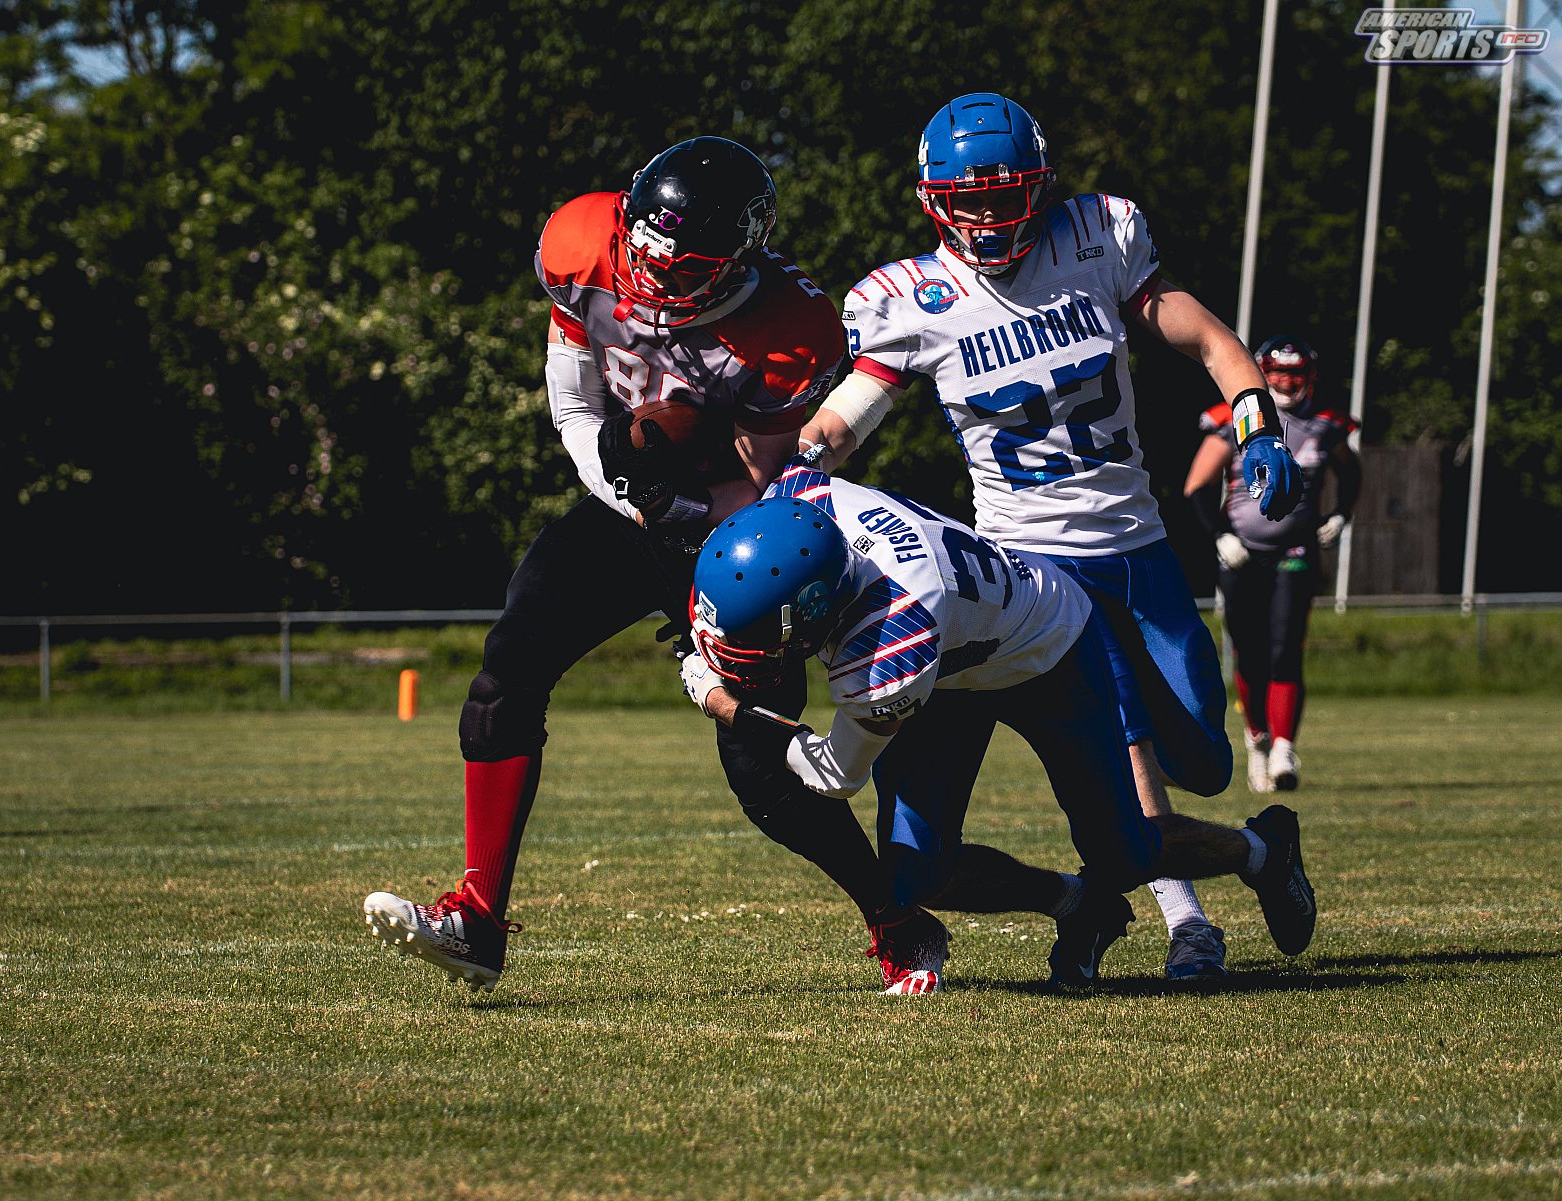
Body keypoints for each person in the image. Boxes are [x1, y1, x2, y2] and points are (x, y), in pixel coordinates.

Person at [788, 92, 1308, 983]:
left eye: (1007, 194)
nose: (990, 217)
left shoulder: (1095, 239)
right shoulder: (913, 299)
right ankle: (1186, 924)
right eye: (971, 199)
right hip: (1035, 563)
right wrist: (801, 462)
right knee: (1130, 755)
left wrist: (1258, 423)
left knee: (1205, 760)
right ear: (934, 200)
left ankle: (1257, 850)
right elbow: (847, 416)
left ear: (1040, 186)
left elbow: (1210, 340)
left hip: (1140, 547)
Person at [362, 136, 892, 991]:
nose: (654, 278)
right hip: (630, 502)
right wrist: (631, 489)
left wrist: (679, 508)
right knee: (508, 668)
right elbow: (575, 409)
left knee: (762, 774)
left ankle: (894, 916)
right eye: (647, 252)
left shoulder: (790, 325)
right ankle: (478, 917)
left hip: (732, 529)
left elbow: (761, 480)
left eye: (685, 267)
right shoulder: (584, 242)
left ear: (738, 259)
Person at [678, 467, 1317, 994]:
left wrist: (720, 702)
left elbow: (834, 774)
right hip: (954, 651)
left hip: (1048, 650)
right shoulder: (798, 498)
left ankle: (1260, 850)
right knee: (916, 875)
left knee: (1122, 854)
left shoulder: (891, 640)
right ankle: (1078, 904)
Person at [1184, 335, 1361, 792]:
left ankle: (1284, 748)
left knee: (1285, 648)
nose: (1286, 382)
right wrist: (1220, 534)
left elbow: (1351, 473)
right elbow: (1197, 486)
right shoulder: (1233, 419)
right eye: (1278, 372)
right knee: (1249, 651)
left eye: (1294, 373)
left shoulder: (1325, 423)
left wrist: (1339, 514)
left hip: (1294, 550)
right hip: (1242, 552)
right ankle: (1257, 738)